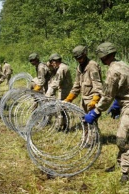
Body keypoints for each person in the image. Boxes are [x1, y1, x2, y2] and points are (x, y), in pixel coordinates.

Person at [84, 42, 129, 183]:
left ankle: (126, 173)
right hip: (124, 103)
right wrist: (117, 103)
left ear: (104, 56)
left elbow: (108, 95)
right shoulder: (122, 64)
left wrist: (96, 112)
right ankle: (120, 163)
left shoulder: (113, 71)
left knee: (122, 139)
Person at [64, 45, 103, 146]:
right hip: (83, 99)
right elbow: (77, 85)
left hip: (92, 98)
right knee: (83, 121)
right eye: (77, 58)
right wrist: (69, 98)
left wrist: (95, 99)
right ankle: (85, 139)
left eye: (80, 58)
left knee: (91, 121)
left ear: (85, 54)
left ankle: (93, 141)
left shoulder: (92, 65)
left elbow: (98, 85)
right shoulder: (79, 67)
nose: (79, 60)